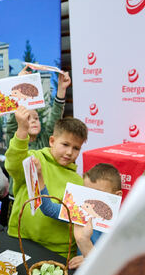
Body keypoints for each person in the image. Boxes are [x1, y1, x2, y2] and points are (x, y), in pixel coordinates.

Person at [5, 108, 87, 254]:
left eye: (76, 148)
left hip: (58, 250)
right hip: (20, 239)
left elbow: (70, 216)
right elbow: (13, 164)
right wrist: (22, 130)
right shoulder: (35, 158)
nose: (70, 152)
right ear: (52, 141)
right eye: (65, 145)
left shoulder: (78, 181)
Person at [36, 162, 122, 268]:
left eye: (99, 194)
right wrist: (39, 177)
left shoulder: (121, 226)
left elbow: (116, 262)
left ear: (117, 195)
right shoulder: (80, 211)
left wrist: (89, 256)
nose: (93, 200)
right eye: (87, 192)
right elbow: (48, 209)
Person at [5, 67, 72, 150]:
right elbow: (12, 125)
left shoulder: (44, 143)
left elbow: (53, 121)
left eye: (36, 118)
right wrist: (21, 82)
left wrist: (61, 90)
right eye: (28, 118)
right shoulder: (14, 143)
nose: (33, 121)